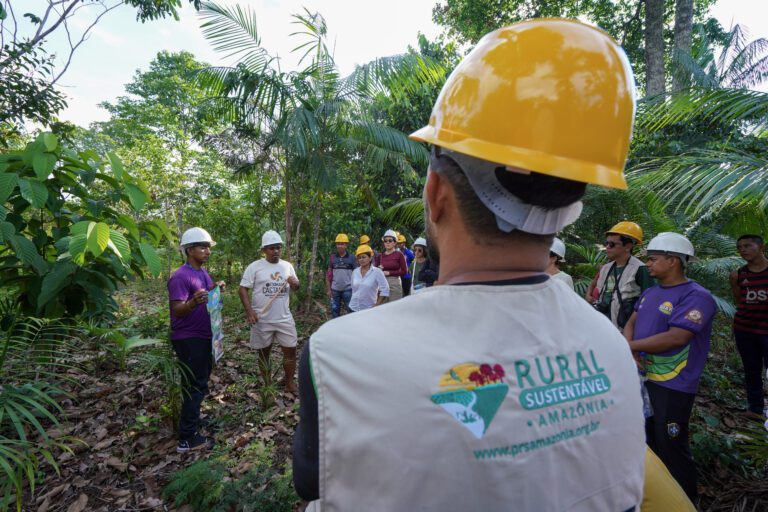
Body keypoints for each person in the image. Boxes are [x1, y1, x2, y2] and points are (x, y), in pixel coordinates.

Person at [293, 19, 645, 510]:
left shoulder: (339, 356)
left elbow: (311, 483)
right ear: (571, 203)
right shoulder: (611, 348)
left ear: (436, 195)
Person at [623, 232, 716, 501]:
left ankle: (686, 500)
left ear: (673, 260)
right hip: (644, 378)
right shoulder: (651, 292)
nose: (647, 265)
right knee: (648, 442)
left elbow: (677, 337)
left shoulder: (697, 296)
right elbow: (631, 321)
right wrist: (630, 347)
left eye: (652, 259)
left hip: (674, 384)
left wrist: (630, 347)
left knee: (671, 445)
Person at [167, 227, 224, 453]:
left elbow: (208, 297)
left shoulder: (203, 273)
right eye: (202, 247)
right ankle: (187, 438)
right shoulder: (180, 276)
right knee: (194, 385)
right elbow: (177, 310)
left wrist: (215, 289)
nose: (207, 251)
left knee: (199, 382)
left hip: (203, 335)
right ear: (189, 250)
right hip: (188, 338)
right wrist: (191, 303)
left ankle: (192, 423)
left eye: (208, 247)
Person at [239, 230, 300, 393]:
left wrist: (294, 283)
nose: (276, 251)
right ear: (264, 250)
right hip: (262, 319)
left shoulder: (287, 266)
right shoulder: (255, 267)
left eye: (278, 248)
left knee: (291, 350)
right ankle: (268, 385)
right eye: (271, 248)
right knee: (264, 353)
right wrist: (249, 311)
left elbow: (296, 287)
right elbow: (243, 289)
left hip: (284, 318)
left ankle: (289, 382)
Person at [589, 221, 654, 331]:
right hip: (602, 324)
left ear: (628, 246)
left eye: (612, 244)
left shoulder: (640, 269)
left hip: (624, 329)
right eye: (606, 243)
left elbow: (649, 302)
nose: (607, 247)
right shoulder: (606, 268)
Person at [730, 234, 768, 418]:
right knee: (751, 370)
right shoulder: (738, 274)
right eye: (740, 247)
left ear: (761, 247)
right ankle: (755, 409)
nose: (743, 249)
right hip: (745, 330)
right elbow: (740, 300)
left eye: (747, 245)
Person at [349, 244, 389, 312]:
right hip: (353, 307)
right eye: (359, 258)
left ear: (370, 258)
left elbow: (385, 290)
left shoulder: (377, 272)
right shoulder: (355, 272)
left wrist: (377, 305)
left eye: (364, 257)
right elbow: (353, 289)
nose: (361, 259)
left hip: (368, 309)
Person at [326, 233, 357, 318]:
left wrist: (356, 289)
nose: (340, 246)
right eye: (338, 244)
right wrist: (328, 289)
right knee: (334, 311)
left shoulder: (352, 258)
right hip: (335, 290)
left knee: (350, 310)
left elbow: (357, 274)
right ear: (336, 245)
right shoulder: (332, 257)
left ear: (346, 245)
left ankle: (351, 328)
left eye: (342, 244)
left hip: (348, 289)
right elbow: (328, 274)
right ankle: (336, 329)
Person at [374, 229, 407, 301]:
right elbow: (375, 272)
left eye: (390, 240)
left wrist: (390, 273)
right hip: (382, 284)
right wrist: (379, 270)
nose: (387, 242)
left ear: (395, 242)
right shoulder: (380, 256)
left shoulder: (399, 254)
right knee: (383, 309)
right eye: (385, 241)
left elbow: (404, 271)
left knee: (395, 308)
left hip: (394, 283)